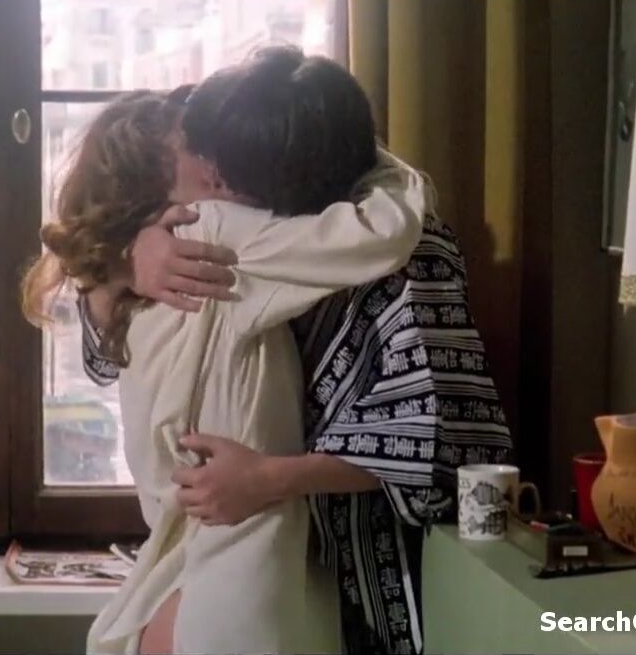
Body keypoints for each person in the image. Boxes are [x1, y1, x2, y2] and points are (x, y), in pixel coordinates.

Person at [78, 46, 515, 654]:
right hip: (218, 543)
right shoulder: (197, 232)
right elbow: (107, 357)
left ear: (273, 181)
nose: (210, 180)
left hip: (363, 569)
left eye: (221, 172)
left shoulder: (408, 254)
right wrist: (126, 265)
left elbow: (443, 444)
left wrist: (268, 478)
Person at [22, 61, 428, 653]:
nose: (216, 162)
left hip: (190, 543)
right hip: (240, 545)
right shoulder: (213, 233)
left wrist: (120, 258)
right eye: (194, 148)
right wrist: (379, 163)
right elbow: (384, 230)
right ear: (153, 178)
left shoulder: (142, 274)